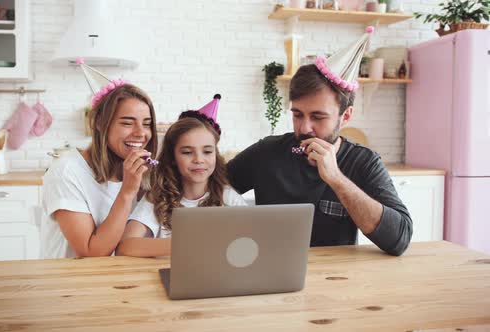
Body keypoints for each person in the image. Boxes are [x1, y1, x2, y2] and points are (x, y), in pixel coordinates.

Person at [227, 27, 412, 256]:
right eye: (297, 114)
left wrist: (336, 179)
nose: (304, 128)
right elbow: (212, 187)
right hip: (269, 271)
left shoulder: (363, 162)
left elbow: (399, 240)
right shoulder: (266, 152)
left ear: (345, 116)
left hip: (336, 280)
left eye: (318, 117)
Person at [40, 62, 158, 258]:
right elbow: (92, 252)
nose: (140, 133)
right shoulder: (66, 171)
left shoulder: (141, 171)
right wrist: (128, 191)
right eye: (127, 123)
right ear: (100, 124)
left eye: (147, 124)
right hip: (69, 281)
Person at [117, 95, 248, 257]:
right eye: (187, 152)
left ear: (216, 154)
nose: (199, 160)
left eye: (207, 151)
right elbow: (125, 247)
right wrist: (187, 243)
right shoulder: (157, 198)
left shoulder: (228, 198)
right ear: (172, 158)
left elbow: (250, 244)